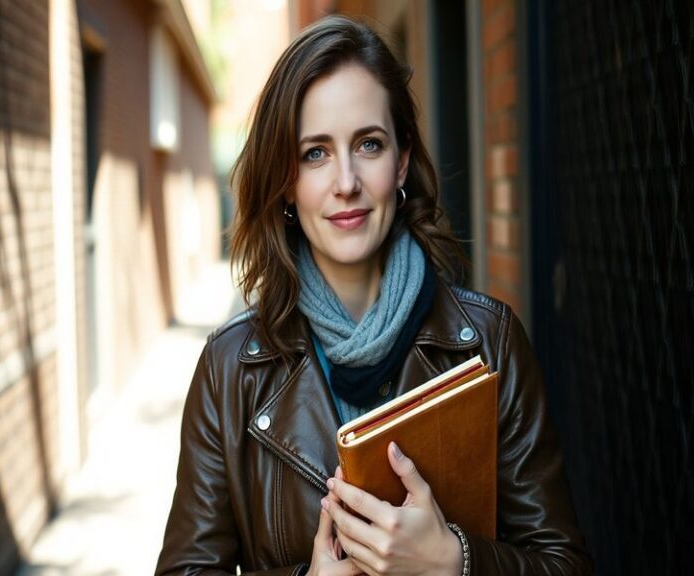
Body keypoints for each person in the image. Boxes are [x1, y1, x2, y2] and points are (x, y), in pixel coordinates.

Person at [156, 15, 593, 576]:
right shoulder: (229, 371)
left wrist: (455, 562)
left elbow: (567, 564)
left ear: (402, 159)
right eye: (315, 152)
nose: (345, 182)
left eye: (368, 144)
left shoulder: (491, 342)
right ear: (287, 181)